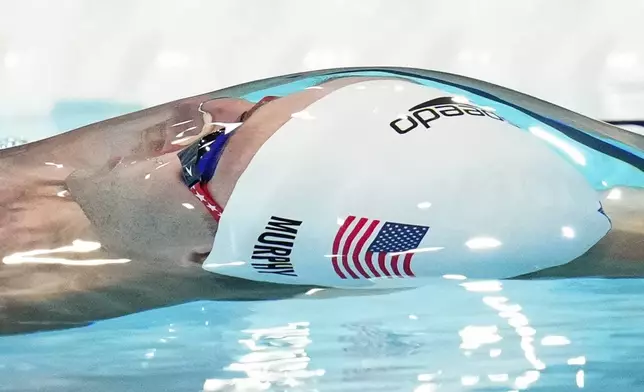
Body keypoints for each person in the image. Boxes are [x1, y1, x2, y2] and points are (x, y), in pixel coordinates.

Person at [0, 69, 642, 335]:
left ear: (205, 251)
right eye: (257, 104)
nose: (201, 113)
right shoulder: (132, 180)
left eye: (209, 150)